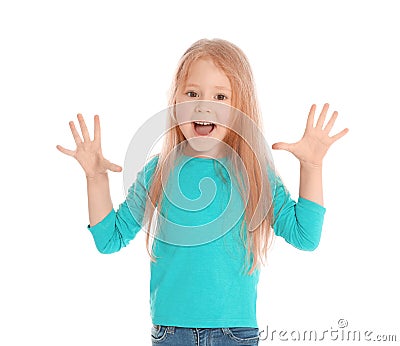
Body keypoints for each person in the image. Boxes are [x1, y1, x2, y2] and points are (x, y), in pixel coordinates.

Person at [56, 38, 348, 346]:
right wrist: (95, 177)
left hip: (236, 334)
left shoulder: (254, 171)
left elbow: (305, 236)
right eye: (192, 93)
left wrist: (312, 168)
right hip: (171, 333)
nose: (203, 104)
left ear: (239, 110)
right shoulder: (159, 170)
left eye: (220, 96)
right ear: (175, 102)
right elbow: (109, 239)